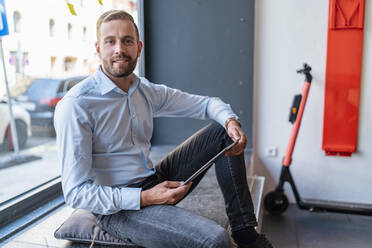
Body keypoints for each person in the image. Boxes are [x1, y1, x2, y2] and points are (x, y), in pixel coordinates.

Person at [54, 9, 273, 248]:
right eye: (110, 42)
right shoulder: (77, 105)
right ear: (98, 48)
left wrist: (231, 122)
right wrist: (144, 198)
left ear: (138, 48)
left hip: (152, 179)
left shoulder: (143, 90)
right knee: (215, 240)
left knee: (223, 132)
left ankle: (245, 234)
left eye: (127, 41)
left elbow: (208, 104)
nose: (119, 49)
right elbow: (76, 193)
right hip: (119, 210)